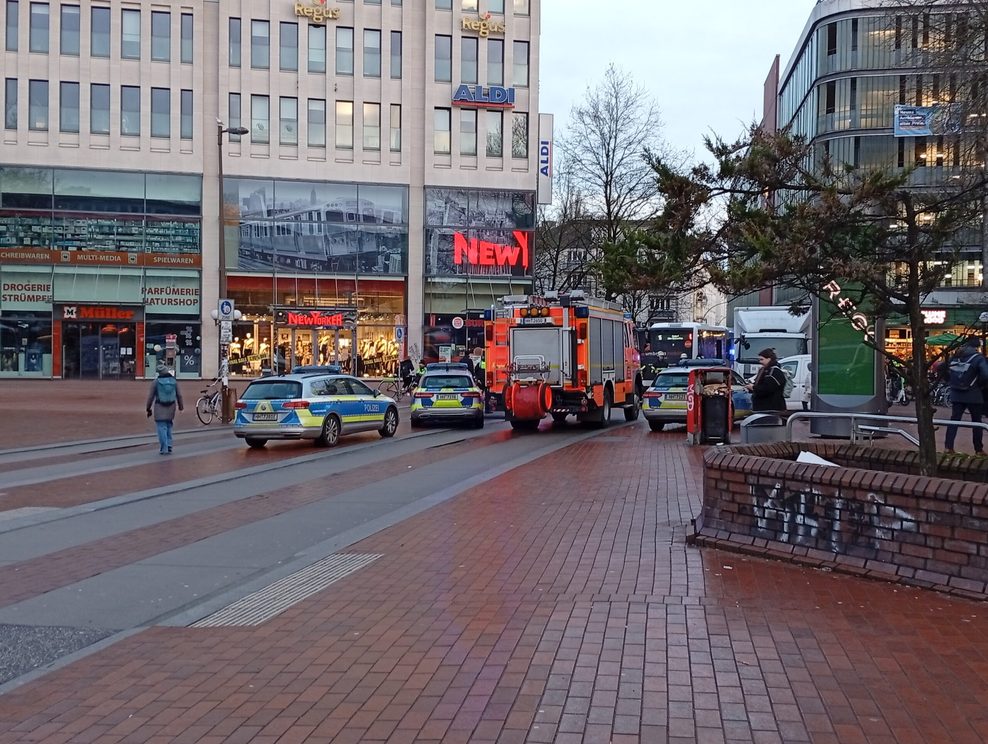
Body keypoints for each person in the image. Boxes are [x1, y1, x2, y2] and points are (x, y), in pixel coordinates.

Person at [943, 337, 988, 454]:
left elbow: (940, 367)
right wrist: (980, 385)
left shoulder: (956, 356)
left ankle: (948, 446)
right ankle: (978, 449)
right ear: (977, 346)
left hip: (956, 393)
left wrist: (950, 381)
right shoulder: (978, 358)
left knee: (954, 420)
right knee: (976, 422)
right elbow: (986, 375)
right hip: (974, 394)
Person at [146, 361, 184, 455]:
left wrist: (148, 408)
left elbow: (151, 396)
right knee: (169, 425)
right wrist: (181, 406)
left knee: (161, 427)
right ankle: (169, 445)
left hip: (159, 406)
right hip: (171, 406)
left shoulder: (156, 382)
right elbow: (179, 395)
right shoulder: (174, 381)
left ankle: (164, 448)